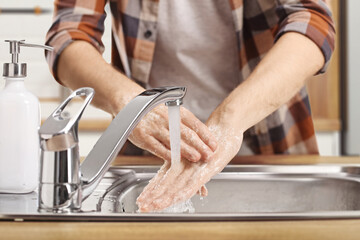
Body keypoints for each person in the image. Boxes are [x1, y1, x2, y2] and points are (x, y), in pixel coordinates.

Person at [46, 0, 335, 212]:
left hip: (269, 146)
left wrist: (230, 119)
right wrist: (132, 105)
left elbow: (312, 21)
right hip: (151, 152)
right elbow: (69, 34)